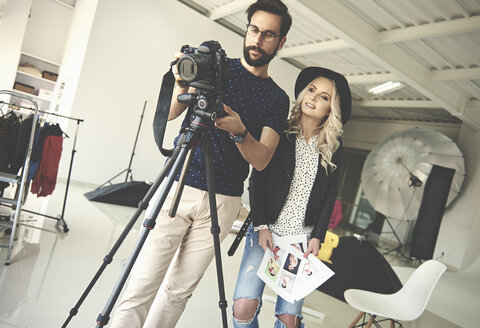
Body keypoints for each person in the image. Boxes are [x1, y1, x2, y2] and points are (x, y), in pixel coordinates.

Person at [109, 1, 292, 327]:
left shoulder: (278, 98)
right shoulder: (216, 69)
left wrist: (240, 132)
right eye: (253, 30)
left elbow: (262, 159)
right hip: (178, 182)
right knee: (142, 281)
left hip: (224, 201)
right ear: (246, 29)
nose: (257, 40)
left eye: (268, 35)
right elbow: (168, 115)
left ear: (280, 43)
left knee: (178, 291)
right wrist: (180, 82)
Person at [232, 66, 352, 328]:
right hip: (265, 232)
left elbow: (329, 196)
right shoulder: (279, 132)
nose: (313, 97)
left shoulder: (333, 148)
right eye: (311, 90)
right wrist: (262, 226)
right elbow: (257, 180)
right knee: (243, 308)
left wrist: (318, 236)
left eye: (324, 97)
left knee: (289, 320)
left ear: (331, 109)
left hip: (301, 241)